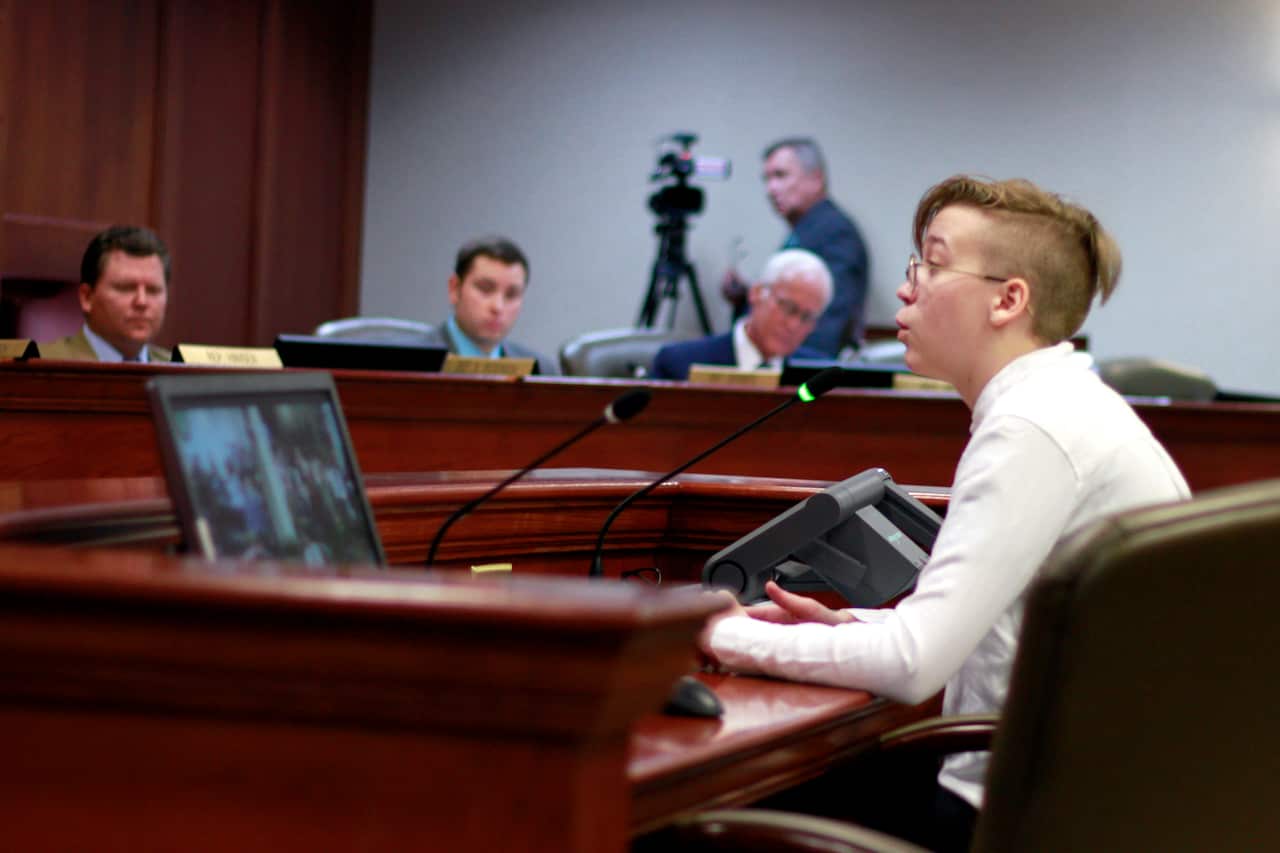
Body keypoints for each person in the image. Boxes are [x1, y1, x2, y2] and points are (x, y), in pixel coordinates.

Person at [698, 175, 1191, 851]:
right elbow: (979, 628)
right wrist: (851, 623)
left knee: (697, 825)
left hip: (1012, 817)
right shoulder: (1065, 402)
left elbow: (913, 663)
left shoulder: (1031, 427)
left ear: (1008, 299)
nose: (906, 287)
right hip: (1090, 800)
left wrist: (724, 636)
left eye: (931, 263)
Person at [722, 138, 868, 356]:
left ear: (816, 179)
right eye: (767, 179)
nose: (771, 189)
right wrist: (746, 299)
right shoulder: (809, 228)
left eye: (780, 176)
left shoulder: (835, 233)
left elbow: (826, 324)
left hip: (803, 370)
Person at [651, 248, 831, 381]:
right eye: (787, 307)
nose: (793, 325)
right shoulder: (681, 364)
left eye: (807, 317)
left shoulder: (821, 377)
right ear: (756, 293)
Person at [423, 236, 558, 375]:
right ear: (455, 288)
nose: (498, 307)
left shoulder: (542, 371)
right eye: (485, 289)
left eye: (511, 295)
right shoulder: (408, 363)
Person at [40, 225, 172, 362]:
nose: (141, 302)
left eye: (153, 290)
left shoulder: (185, 373)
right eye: (125, 288)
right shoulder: (37, 367)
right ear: (87, 297)